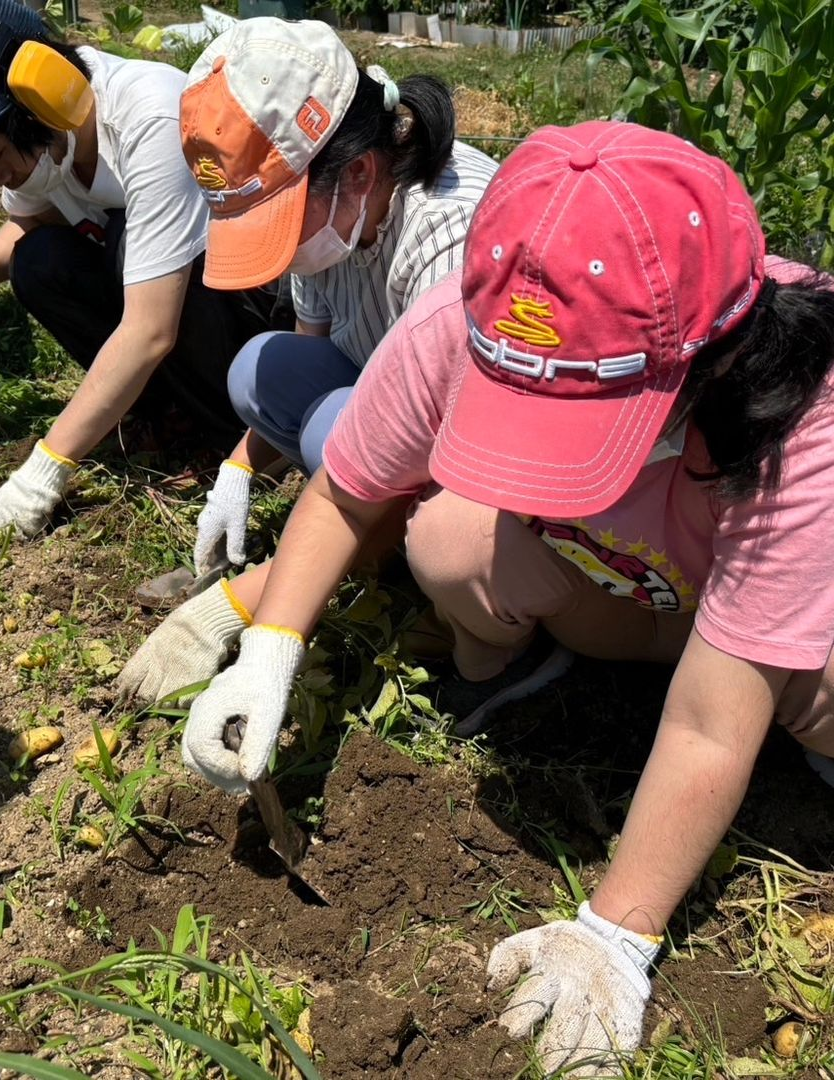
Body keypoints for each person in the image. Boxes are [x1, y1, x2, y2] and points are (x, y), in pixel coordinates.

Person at [120, 121, 834, 1075]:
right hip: (644, 591)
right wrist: (268, 645)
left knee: (810, 697)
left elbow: (714, 716)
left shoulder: (802, 411)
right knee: (451, 535)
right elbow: (346, 492)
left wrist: (616, 933)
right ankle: (563, 667)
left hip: (779, 646)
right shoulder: (479, 317)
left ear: (709, 358)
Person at [0, 0, 290, 538]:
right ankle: (168, 413)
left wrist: (47, 467)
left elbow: (150, 330)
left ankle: (238, 435)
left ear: (38, 102)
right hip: (174, 302)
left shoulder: (149, 117)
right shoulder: (50, 143)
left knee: (129, 244)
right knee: (39, 260)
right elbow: (35, 220)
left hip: (262, 312)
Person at [179, 17, 498, 578]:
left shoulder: (449, 229)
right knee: (261, 368)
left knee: (334, 425)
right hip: (389, 397)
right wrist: (238, 470)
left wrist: (276, 584)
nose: (278, 247)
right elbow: (309, 354)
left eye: (279, 219)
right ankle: (364, 522)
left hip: (470, 451)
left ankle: (405, 561)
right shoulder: (337, 220)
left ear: (357, 173)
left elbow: (455, 430)